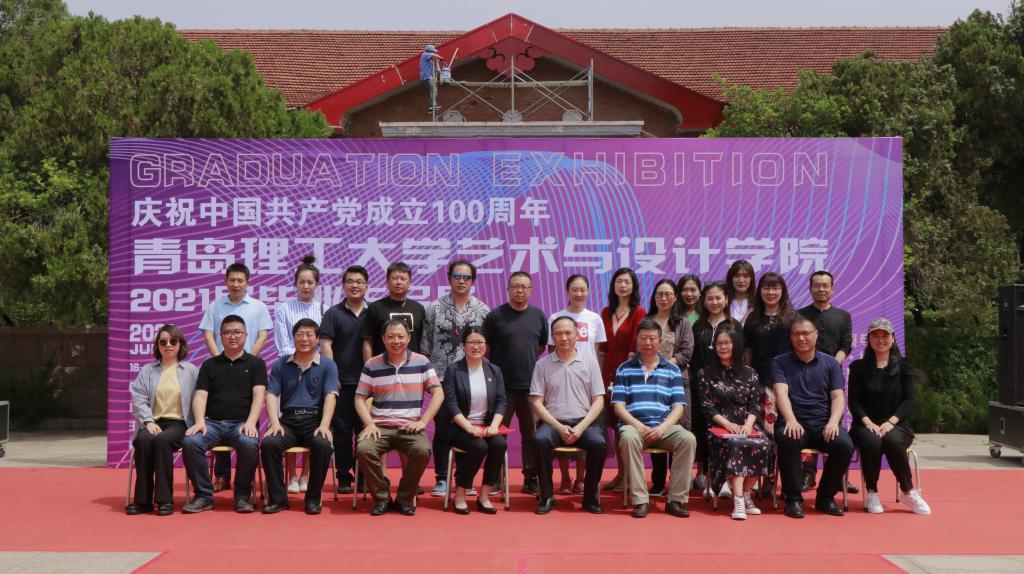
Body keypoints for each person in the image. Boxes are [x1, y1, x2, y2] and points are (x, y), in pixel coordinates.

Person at [355, 319, 444, 516]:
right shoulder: (372, 364)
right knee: (363, 449)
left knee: (422, 450)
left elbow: (438, 393)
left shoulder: (422, 362)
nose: (396, 341)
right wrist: (369, 424)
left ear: (409, 338)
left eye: (401, 336)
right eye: (391, 337)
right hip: (379, 427)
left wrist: (423, 421)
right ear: (383, 339)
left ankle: (405, 498)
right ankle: (382, 498)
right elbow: (359, 398)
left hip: (409, 427)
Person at [198, 262, 272, 493]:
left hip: (247, 367)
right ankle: (221, 476)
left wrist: (248, 359)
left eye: (241, 280)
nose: (236, 284)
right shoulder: (215, 306)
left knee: (245, 420)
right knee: (219, 413)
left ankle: (244, 480)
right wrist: (219, 360)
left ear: (247, 282)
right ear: (225, 282)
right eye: (232, 280)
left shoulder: (258, 307)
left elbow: (262, 335)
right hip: (221, 367)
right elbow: (208, 334)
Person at [182, 315, 267, 514]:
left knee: (249, 444)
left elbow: (259, 395)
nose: (233, 336)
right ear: (220, 336)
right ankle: (203, 495)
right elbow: (200, 396)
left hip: (241, 424)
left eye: (237, 332)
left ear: (246, 335)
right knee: (190, 442)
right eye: (227, 332)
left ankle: (242, 496)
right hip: (212, 423)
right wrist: (200, 421)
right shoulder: (209, 365)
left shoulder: (256, 364)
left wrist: (251, 422)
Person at [612, 319, 697, 518]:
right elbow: (618, 407)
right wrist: (639, 426)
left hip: (664, 427)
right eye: (643, 338)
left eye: (652, 338)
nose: (647, 342)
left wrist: (662, 428)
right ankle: (641, 500)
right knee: (628, 438)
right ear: (637, 340)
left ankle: (676, 500)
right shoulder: (624, 368)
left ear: (660, 341)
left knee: (688, 439)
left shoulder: (672, 370)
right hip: (635, 426)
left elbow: (678, 408)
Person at [772, 315, 853, 518]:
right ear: (791, 337)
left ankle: (825, 497)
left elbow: (837, 397)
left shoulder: (830, 364)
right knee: (788, 439)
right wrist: (791, 420)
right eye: (796, 334)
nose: (801, 338)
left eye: (806, 333)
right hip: (793, 420)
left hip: (822, 423)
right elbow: (781, 394)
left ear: (816, 335)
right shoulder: (780, 362)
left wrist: (833, 422)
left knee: (844, 445)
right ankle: (793, 500)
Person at [848, 318, 931, 515]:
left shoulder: (904, 366)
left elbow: (909, 399)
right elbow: (854, 401)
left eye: (884, 335)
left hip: (897, 424)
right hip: (865, 424)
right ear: (869, 340)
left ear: (892, 338)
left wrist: (891, 422)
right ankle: (872, 492)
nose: (880, 340)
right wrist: (868, 422)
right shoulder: (858, 368)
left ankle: (907, 491)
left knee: (893, 441)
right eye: (875, 336)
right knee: (872, 442)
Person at [422, 260, 490, 497]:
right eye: (457, 276)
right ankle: (441, 478)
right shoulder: (434, 308)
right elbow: (425, 347)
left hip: (472, 380)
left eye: (466, 277)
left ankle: (465, 479)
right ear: (449, 278)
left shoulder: (483, 310)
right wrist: (429, 379)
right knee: (443, 429)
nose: (462, 281)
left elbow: (486, 347)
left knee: (468, 430)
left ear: (473, 281)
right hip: (441, 379)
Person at [261, 319, 338, 515]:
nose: (304, 339)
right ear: (293, 338)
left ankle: (313, 498)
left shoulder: (328, 365)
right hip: (288, 421)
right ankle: (278, 499)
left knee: (322, 444)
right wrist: (274, 423)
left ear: (317, 339)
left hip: (315, 421)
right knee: (269, 443)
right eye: (300, 334)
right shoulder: (281, 364)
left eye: (309, 334)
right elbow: (271, 395)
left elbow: (331, 396)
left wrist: (324, 425)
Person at [531, 315, 607, 515]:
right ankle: (547, 497)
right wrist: (558, 426)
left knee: (598, 443)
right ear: (552, 337)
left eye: (568, 333)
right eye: (558, 333)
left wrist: (581, 427)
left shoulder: (590, 362)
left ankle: (590, 497)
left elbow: (599, 400)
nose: (563, 337)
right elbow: (536, 402)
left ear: (577, 335)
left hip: (583, 423)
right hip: (553, 423)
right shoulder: (542, 364)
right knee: (539, 440)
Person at [482, 271, 548, 495]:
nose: (520, 290)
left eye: (524, 287)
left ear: (531, 290)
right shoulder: (495, 316)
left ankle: (531, 478)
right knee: (497, 435)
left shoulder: (538, 316)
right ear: (508, 289)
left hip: (531, 387)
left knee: (532, 436)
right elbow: (487, 348)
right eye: (516, 286)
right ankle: (495, 479)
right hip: (502, 387)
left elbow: (541, 346)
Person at [698, 328, 771, 520]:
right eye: (719, 344)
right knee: (736, 443)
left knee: (764, 444)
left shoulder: (750, 373)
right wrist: (727, 424)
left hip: (746, 424)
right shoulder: (706, 373)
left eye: (726, 343)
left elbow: (755, 404)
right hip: (719, 426)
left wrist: (749, 425)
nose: (722, 347)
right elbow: (707, 406)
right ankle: (738, 499)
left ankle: (746, 493)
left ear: (736, 345)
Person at [127, 325, 199, 515]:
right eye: (163, 342)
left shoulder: (191, 371)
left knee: (162, 441)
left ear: (180, 344)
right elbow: (138, 398)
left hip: (179, 423)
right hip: (153, 421)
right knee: (143, 440)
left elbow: (200, 398)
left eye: (173, 341)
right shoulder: (148, 370)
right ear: (157, 345)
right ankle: (142, 501)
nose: (168, 345)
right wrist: (148, 421)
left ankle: (165, 500)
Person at [547, 274, 607, 495]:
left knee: (585, 428)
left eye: (583, 289)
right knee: (562, 425)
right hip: (561, 378)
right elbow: (550, 351)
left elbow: (598, 352)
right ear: (567, 291)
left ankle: (581, 478)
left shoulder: (595, 319)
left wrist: (596, 379)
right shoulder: (556, 317)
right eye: (574, 289)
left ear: (588, 292)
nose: (579, 293)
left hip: (586, 380)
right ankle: (564, 477)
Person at [440, 326, 508, 514]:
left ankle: (484, 495)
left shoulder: (494, 370)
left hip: (486, 426)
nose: (476, 346)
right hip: (460, 427)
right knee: (479, 446)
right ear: (463, 345)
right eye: (471, 342)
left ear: (486, 345)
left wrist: (494, 426)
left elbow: (501, 401)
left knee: (499, 444)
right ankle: (460, 493)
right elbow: (451, 404)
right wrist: (469, 428)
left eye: (480, 342)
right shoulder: (454, 370)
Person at [797, 270, 854, 492]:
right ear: (810, 288)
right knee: (806, 424)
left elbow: (846, 345)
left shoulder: (843, 316)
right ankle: (807, 473)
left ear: (832, 288)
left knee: (833, 423)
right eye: (817, 285)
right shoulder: (800, 315)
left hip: (832, 376)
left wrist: (831, 364)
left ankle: (838, 476)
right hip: (804, 376)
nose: (821, 289)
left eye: (825, 285)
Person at [272, 254, 324, 495]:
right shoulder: (283, 309)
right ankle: (291, 474)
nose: (306, 286)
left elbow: (323, 343)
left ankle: (306, 475)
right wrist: (298, 357)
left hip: (315, 369)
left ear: (316, 284)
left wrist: (312, 360)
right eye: (301, 282)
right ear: (295, 284)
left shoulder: (323, 309)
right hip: (290, 369)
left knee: (314, 422)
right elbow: (282, 342)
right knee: (288, 419)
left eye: (310, 282)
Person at [689, 281, 743, 493]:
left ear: (726, 299)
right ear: (704, 301)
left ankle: (725, 478)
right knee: (702, 430)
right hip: (701, 386)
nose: (714, 302)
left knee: (724, 430)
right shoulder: (698, 326)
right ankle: (704, 474)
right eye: (709, 298)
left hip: (727, 388)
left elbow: (739, 358)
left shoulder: (734, 326)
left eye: (718, 298)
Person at [320, 264, 369, 495]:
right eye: (350, 281)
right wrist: (333, 377)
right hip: (341, 383)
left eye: (359, 282)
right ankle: (343, 475)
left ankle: (363, 475)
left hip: (368, 384)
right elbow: (325, 345)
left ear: (366, 286)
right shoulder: (333, 313)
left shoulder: (373, 312)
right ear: (343, 285)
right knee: (341, 431)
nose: (355, 285)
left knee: (365, 431)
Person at [646, 278, 695, 494]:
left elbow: (686, 352)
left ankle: (676, 484)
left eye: (668, 294)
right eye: (660, 294)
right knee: (656, 427)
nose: (664, 298)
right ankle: (657, 482)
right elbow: (640, 347)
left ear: (675, 298)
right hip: (651, 384)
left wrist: (664, 366)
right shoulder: (647, 320)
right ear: (654, 297)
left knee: (679, 430)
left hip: (677, 382)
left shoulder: (683, 322)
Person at [600, 267, 646, 492]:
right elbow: (602, 349)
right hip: (607, 373)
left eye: (627, 282)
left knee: (626, 425)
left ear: (633, 286)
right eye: (619, 281)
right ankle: (621, 473)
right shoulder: (605, 311)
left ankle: (630, 475)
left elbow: (634, 348)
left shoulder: (639, 311)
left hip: (628, 375)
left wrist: (624, 376)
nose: (623, 286)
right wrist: (599, 378)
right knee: (613, 426)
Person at [743, 272, 797, 435]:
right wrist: (748, 375)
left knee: (787, 427)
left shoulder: (793, 317)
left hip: (788, 379)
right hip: (760, 379)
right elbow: (748, 349)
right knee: (762, 428)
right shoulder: (753, 318)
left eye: (775, 288)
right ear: (759, 291)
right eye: (766, 288)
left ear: (782, 291)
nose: (771, 292)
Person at [361, 261, 426, 359]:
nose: (398, 282)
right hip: (382, 365)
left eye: (403, 279)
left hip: (413, 366)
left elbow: (424, 343)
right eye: (394, 278)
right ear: (387, 282)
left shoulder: (418, 309)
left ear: (410, 283)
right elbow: (367, 341)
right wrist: (369, 366)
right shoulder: (375, 308)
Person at [420, 44, 445, 114]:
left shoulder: (430, 61)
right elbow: (434, 55)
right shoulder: (425, 54)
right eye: (433, 52)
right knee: (433, 89)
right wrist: (441, 58)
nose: (434, 53)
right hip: (427, 76)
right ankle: (432, 106)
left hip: (429, 76)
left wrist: (437, 64)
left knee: (432, 91)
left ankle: (431, 107)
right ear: (430, 51)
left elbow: (437, 70)